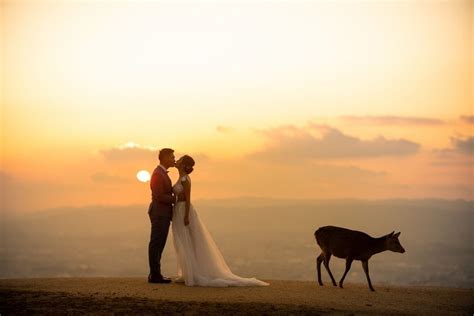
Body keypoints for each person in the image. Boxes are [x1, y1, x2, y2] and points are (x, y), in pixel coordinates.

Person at [171, 155, 269, 287]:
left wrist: (186, 215)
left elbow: (188, 199)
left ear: (183, 165)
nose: (176, 161)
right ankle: (187, 272)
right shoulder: (180, 178)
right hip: (178, 210)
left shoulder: (185, 179)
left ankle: (192, 273)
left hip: (183, 210)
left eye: (179, 160)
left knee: (188, 241)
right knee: (182, 241)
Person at [147, 148, 175, 284]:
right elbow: (159, 196)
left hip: (162, 214)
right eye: (171, 157)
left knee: (159, 244)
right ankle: (155, 275)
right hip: (159, 214)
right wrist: (176, 198)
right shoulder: (158, 174)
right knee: (156, 244)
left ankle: (155, 274)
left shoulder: (161, 173)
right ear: (164, 158)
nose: (174, 159)